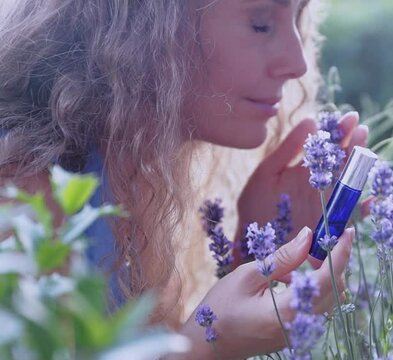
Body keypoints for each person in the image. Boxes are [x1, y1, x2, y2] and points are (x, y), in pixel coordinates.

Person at [0, 0, 368, 358]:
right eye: (260, 23)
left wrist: (250, 257)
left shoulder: (134, 177)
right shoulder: (21, 193)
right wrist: (207, 347)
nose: (297, 63)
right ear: (150, 27)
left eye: (298, 18)